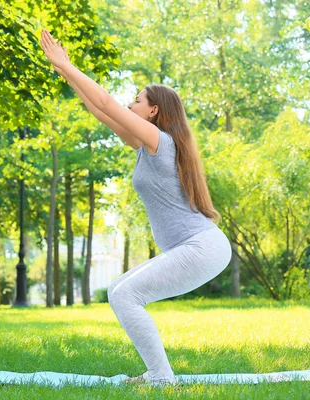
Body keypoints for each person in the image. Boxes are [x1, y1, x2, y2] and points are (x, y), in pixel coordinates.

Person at [39, 29, 232, 386]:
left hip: (202, 247)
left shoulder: (162, 141)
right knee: (119, 291)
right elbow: (101, 111)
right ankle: (159, 375)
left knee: (126, 294)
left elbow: (109, 103)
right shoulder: (149, 145)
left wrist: (68, 64)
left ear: (154, 110)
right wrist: (64, 71)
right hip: (198, 247)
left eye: (137, 100)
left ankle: (161, 377)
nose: (130, 104)